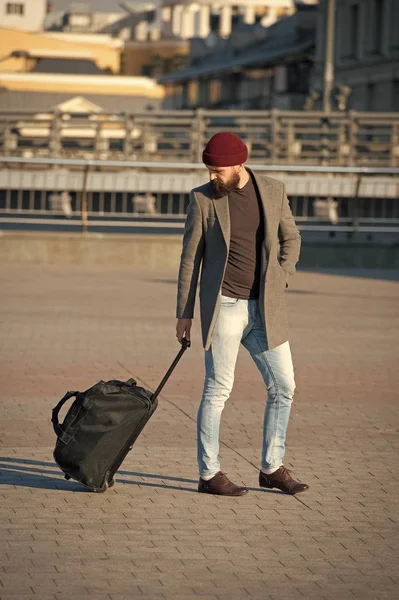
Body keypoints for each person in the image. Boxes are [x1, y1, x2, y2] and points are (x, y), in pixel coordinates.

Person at [176, 132, 308, 497]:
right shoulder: (203, 199)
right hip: (225, 306)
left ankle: (272, 467)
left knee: (284, 385)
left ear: (239, 164)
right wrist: (184, 314)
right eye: (209, 170)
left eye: (218, 170)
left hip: (266, 308)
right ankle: (209, 473)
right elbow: (191, 258)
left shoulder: (272, 190)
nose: (212, 176)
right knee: (218, 389)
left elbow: (291, 238)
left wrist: (282, 277)